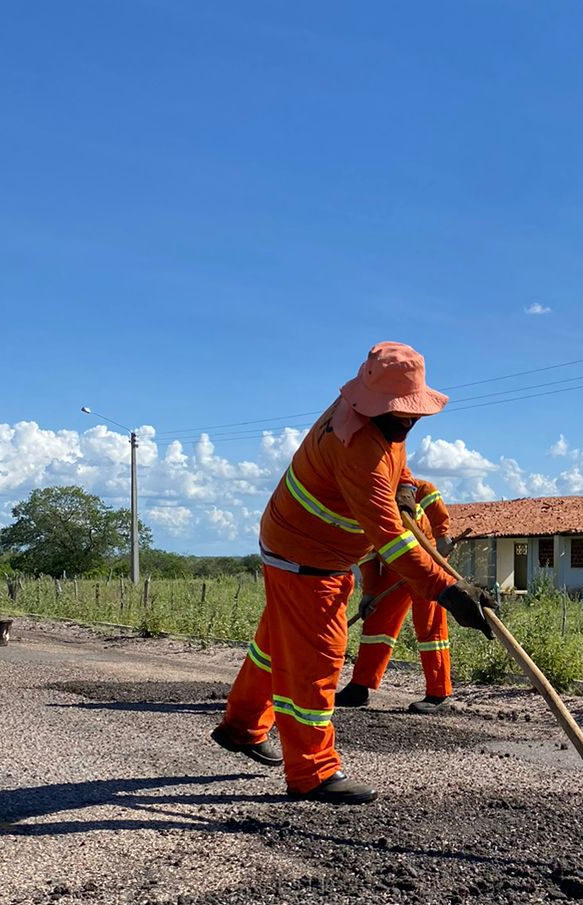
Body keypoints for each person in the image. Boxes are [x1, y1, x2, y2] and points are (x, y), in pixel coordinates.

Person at [211, 343, 493, 803]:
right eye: (399, 412)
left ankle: (242, 726)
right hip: (306, 557)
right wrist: (451, 591)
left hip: (303, 547)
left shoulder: (373, 414)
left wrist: (403, 487)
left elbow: (395, 460)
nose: (409, 420)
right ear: (370, 403)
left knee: (277, 643)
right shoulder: (358, 449)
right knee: (317, 659)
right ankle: (312, 773)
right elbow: (393, 541)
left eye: (412, 410)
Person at [336, 474, 456, 713]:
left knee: (430, 629)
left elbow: (428, 491)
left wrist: (443, 534)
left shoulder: (396, 480)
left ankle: (437, 692)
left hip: (425, 563)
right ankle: (360, 687)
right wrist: (369, 592)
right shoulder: (355, 506)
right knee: (375, 624)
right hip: (393, 568)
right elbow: (367, 555)